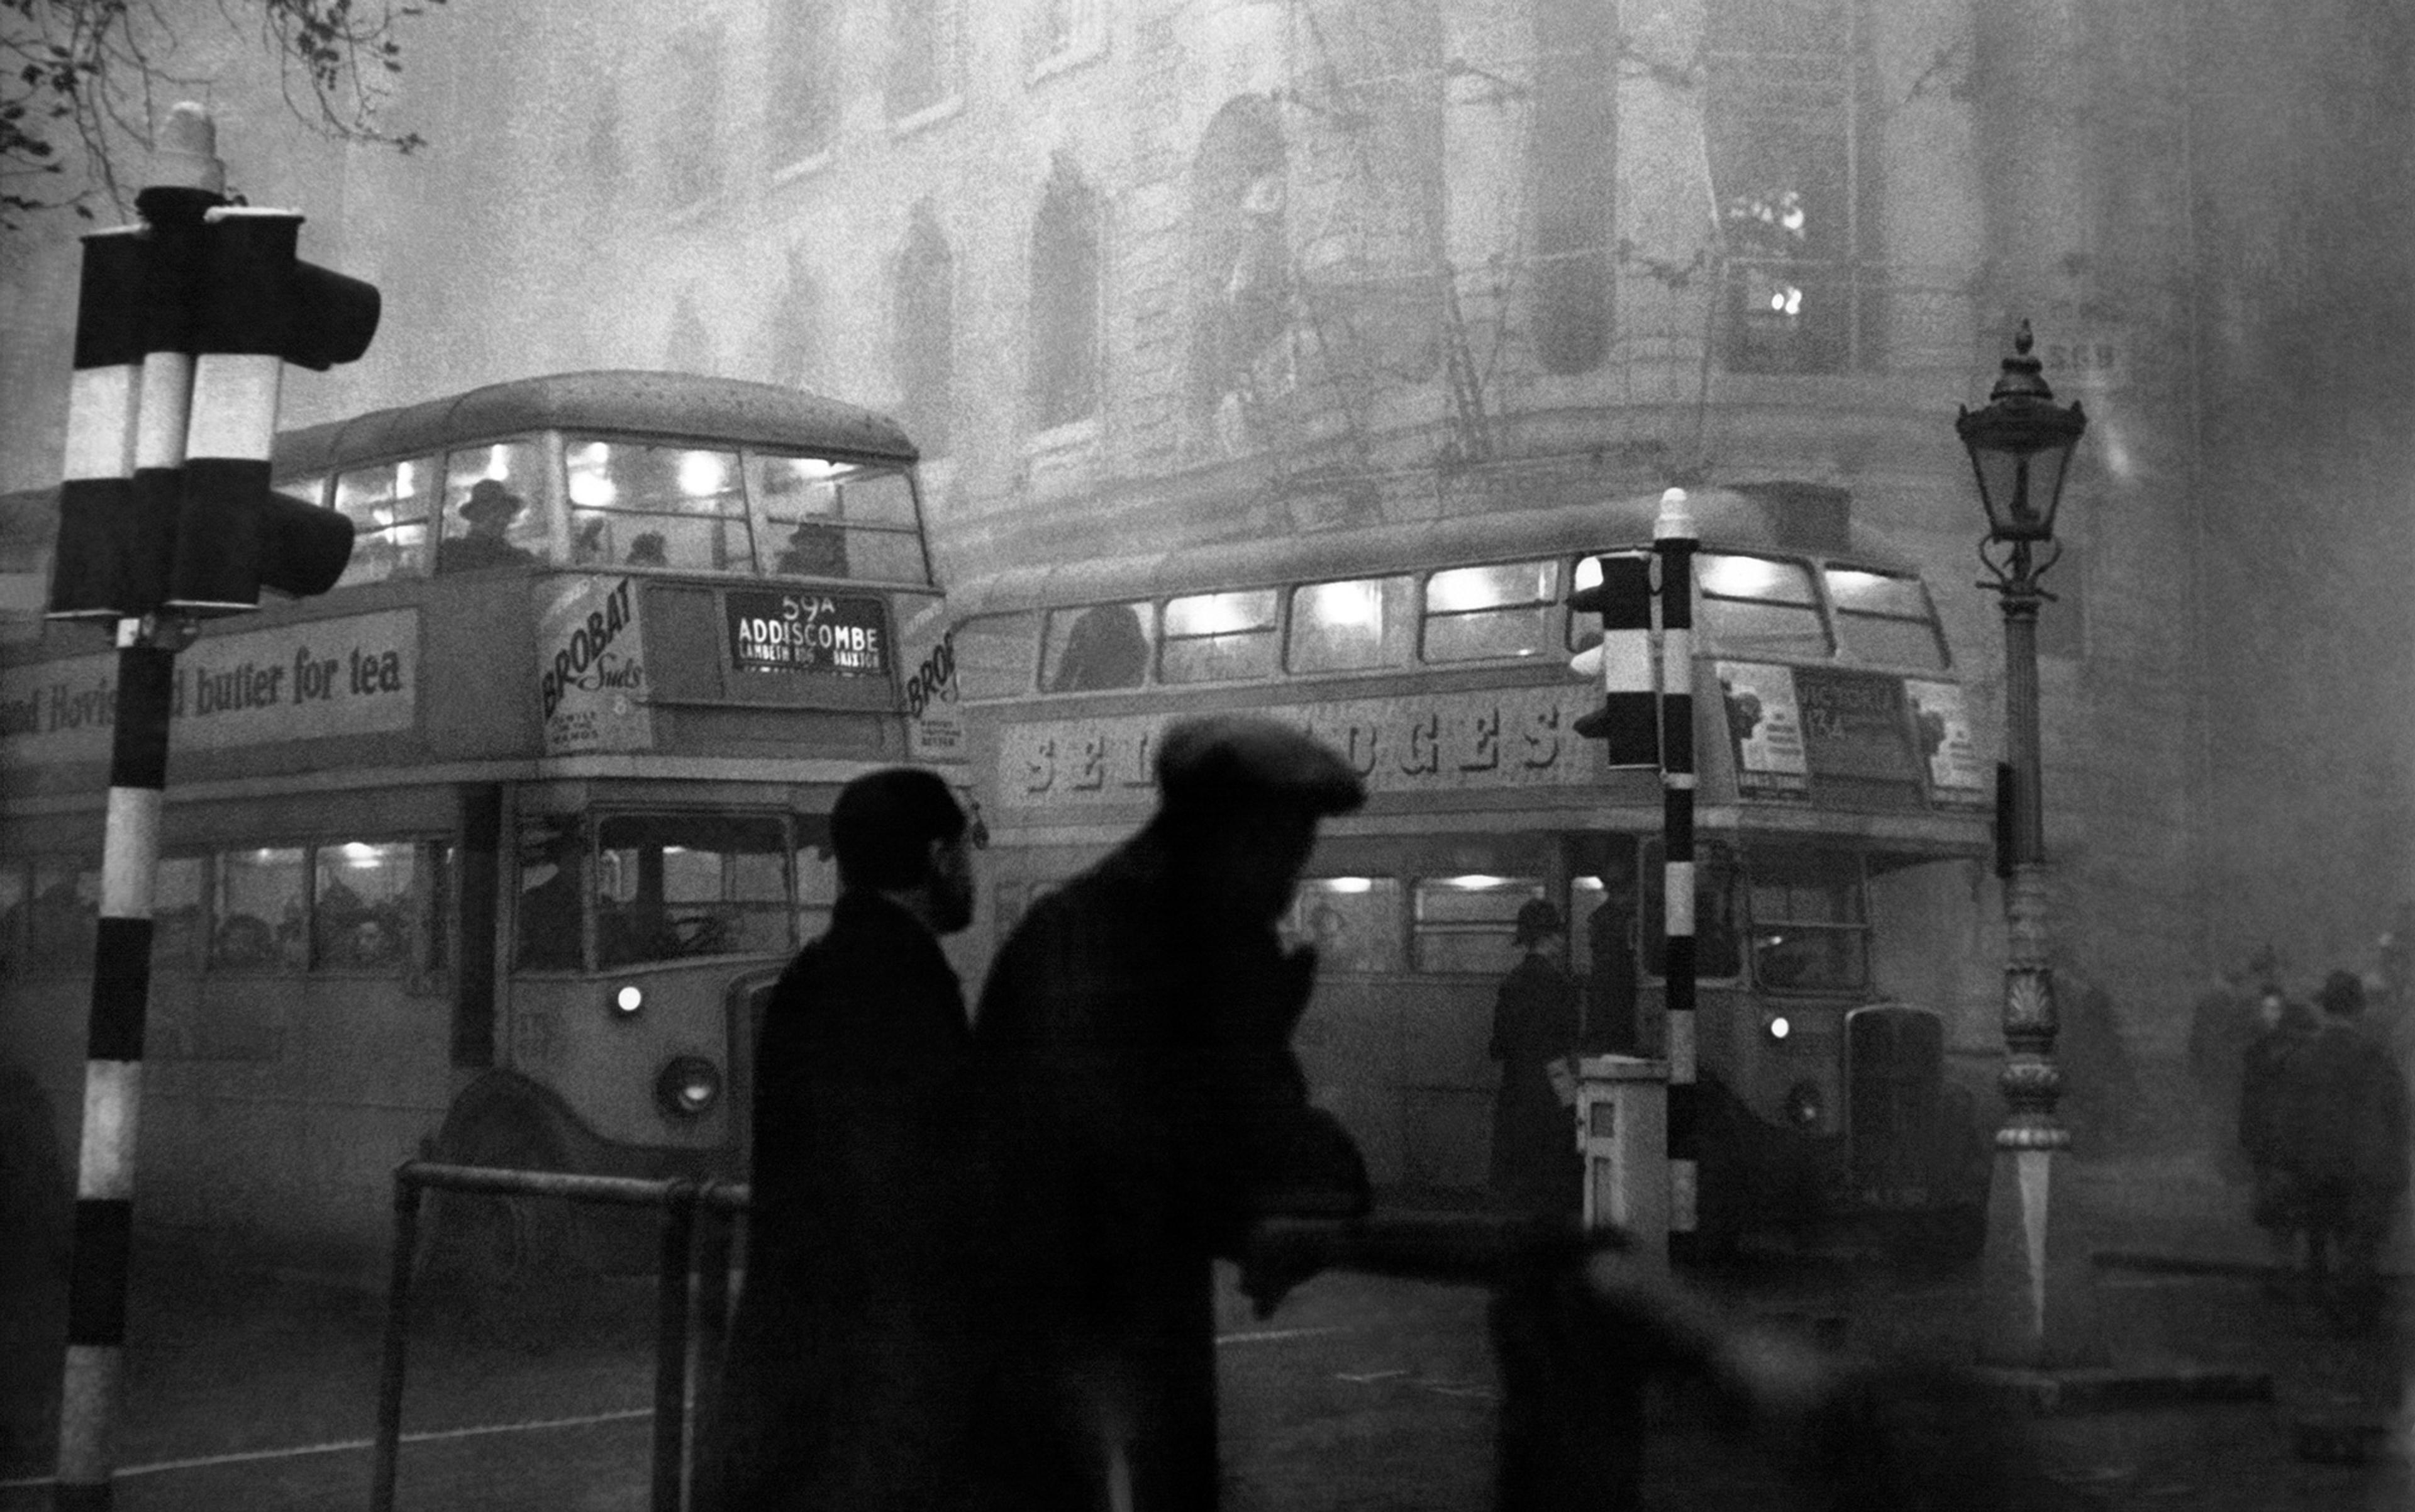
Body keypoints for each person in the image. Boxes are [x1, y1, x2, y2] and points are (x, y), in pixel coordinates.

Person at [970, 713, 1370, 1512]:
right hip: (1087, 1329)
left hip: (1047, 1321)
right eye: (1285, 849)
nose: (1291, 880)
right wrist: (1314, 1188)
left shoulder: (1091, 922)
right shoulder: (1163, 948)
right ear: (1231, 836)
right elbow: (1189, 1138)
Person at [704, 767, 983, 1511]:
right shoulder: (904, 986)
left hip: (791, 1369)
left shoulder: (816, 973)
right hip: (867, 1392)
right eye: (967, 848)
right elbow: (916, 1193)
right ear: (934, 857)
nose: (971, 869)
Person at [2273, 969, 2412, 1326]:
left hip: (2316, 1166)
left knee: (2319, 1236)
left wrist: (2290, 1163)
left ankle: (2319, 1304)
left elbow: (2288, 1119)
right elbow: (2399, 1111)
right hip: (2364, 1168)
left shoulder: (2304, 1056)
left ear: (2324, 1009)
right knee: (2358, 1244)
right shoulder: (2374, 1056)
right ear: (2359, 1009)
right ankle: (2352, 1311)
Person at [1488, 900, 1584, 1218]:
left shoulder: (1512, 982)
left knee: (1519, 1188)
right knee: (1552, 1187)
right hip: (1549, 1099)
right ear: (1550, 937)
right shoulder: (1559, 986)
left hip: (1515, 1095)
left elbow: (1499, 1045)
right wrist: (1572, 1101)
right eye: (1559, 932)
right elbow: (1562, 1048)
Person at [2236, 981, 2318, 1289]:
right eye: (2267, 1009)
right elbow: (2250, 1099)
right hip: (2271, 1140)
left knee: (2285, 1208)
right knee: (2277, 1210)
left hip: (2284, 1139)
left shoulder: (2278, 1052)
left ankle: (2287, 1269)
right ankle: (2286, 1268)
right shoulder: (2258, 1051)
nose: (2272, 1016)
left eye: (2277, 1010)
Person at [1582, 870, 1642, 1056]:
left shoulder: (1599, 917)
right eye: (1628, 893)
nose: (1632, 898)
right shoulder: (1614, 918)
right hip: (1614, 987)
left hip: (1608, 987)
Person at [435, 479, 538, 573]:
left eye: (506, 514)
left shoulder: (517, 557)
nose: (502, 520)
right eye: (494, 512)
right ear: (475, 515)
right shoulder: (453, 552)